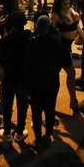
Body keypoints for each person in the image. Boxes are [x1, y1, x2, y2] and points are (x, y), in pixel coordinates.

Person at [51, 0, 84, 114]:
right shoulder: (56, 15)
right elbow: (52, 33)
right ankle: (72, 102)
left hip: (67, 47)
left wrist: (83, 38)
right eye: (65, 4)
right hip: (60, 48)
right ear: (59, 3)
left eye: (69, 3)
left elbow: (77, 26)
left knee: (58, 75)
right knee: (69, 73)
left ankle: (71, 102)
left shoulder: (70, 10)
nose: (67, 5)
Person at [27, 15, 62, 147]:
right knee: (50, 108)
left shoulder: (32, 42)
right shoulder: (56, 43)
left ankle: (37, 136)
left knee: (36, 111)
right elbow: (60, 62)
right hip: (51, 80)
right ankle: (48, 134)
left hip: (35, 82)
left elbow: (28, 63)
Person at [0, 11, 31, 143]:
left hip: (8, 76)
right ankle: (20, 132)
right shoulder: (29, 37)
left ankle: (6, 132)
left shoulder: (4, 42)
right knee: (23, 105)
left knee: (7, 105)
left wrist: (1, 28)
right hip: (24, 77)